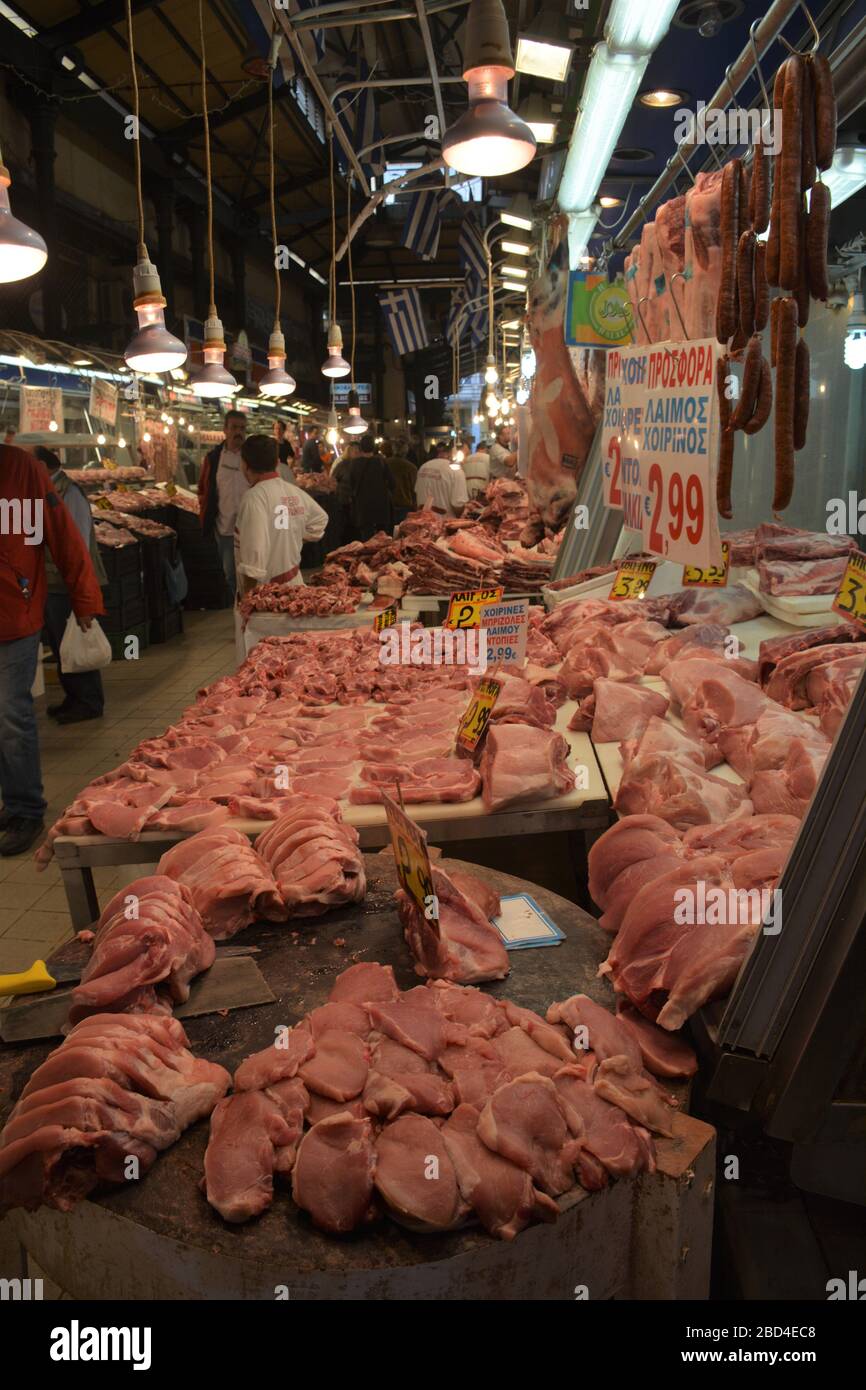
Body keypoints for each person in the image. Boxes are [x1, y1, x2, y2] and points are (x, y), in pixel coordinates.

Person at [0, 443, 105, 855]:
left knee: (11, 714)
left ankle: (26, 808)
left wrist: (85, 600)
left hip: (15, 615)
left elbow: (63, 536)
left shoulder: (22, 469)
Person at [34, 446, 108, 724]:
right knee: (61, 642)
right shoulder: (45, 491)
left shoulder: (71, 492)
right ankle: (73, 698)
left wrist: (80, 589)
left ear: (42, 466)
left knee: (79, 639)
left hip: (70, 582)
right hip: (52, 581)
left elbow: (74, 544)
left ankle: (89, 701)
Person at [234, 435, 328, 598]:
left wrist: (247, 602)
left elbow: (253, 561)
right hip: (295, 587)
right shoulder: (293, 491)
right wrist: (291, 534)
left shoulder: (254, 497)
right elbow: (320, 520)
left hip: (267, 594)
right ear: (277, 462)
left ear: (244, 464)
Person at [197, 408, 248, 595]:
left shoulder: (251, 457)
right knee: (230, 574)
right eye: (234, 427)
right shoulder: (213, 458)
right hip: (225, 528)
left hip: (250, 527)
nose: (238, 432)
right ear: (225, 430)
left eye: (242, 428)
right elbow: (203, 489)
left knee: (251, 572)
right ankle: (238, 612)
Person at [344, 434, 395, 540]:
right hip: (381, 506)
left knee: (367, 540)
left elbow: (349, 484)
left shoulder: (354, 464)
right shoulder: (381, 462)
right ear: (374, 447)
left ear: (361, 448)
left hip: (363, 507)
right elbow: (392, 483)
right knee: (382, 539)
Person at [415, 440, 468, 518]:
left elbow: (417, 492)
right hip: (443, 524)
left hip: (422, 522)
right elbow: (458, 505)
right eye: (466, 454)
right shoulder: (456, 471)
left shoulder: (423, 467)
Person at [380, 438, 417, 526]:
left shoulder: (384, 463)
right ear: (406, 451)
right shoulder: (411, 467)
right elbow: (414, 489)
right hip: (405, 504)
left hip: (387, 504)